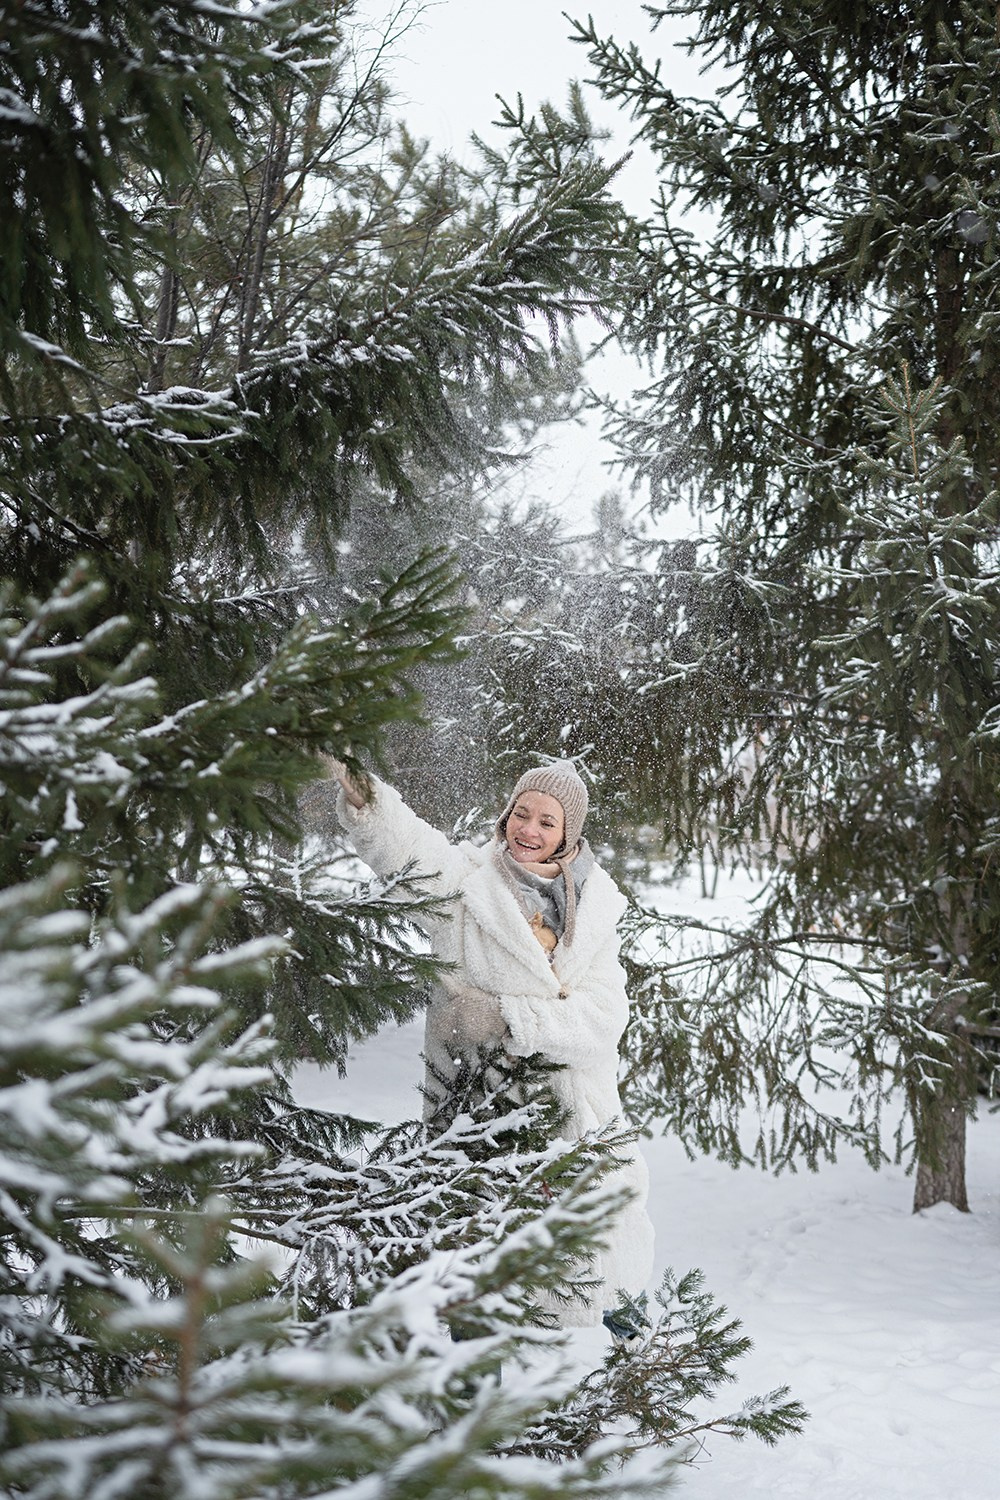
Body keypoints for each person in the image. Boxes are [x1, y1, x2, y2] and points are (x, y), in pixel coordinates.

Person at [310, 755, 655, 1332]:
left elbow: (604, 1020)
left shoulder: (595, 907)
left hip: (581, 1114)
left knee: (608, 1253)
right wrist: (365, 796)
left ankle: (628, 1380)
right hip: (483, 1112)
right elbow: (409, 849)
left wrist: (504, 1018)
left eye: (547, 821)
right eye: (522, 813)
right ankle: (483, 1384)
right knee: (484, 1259)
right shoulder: (467, 886)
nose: (529, 829)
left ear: (569, 832)